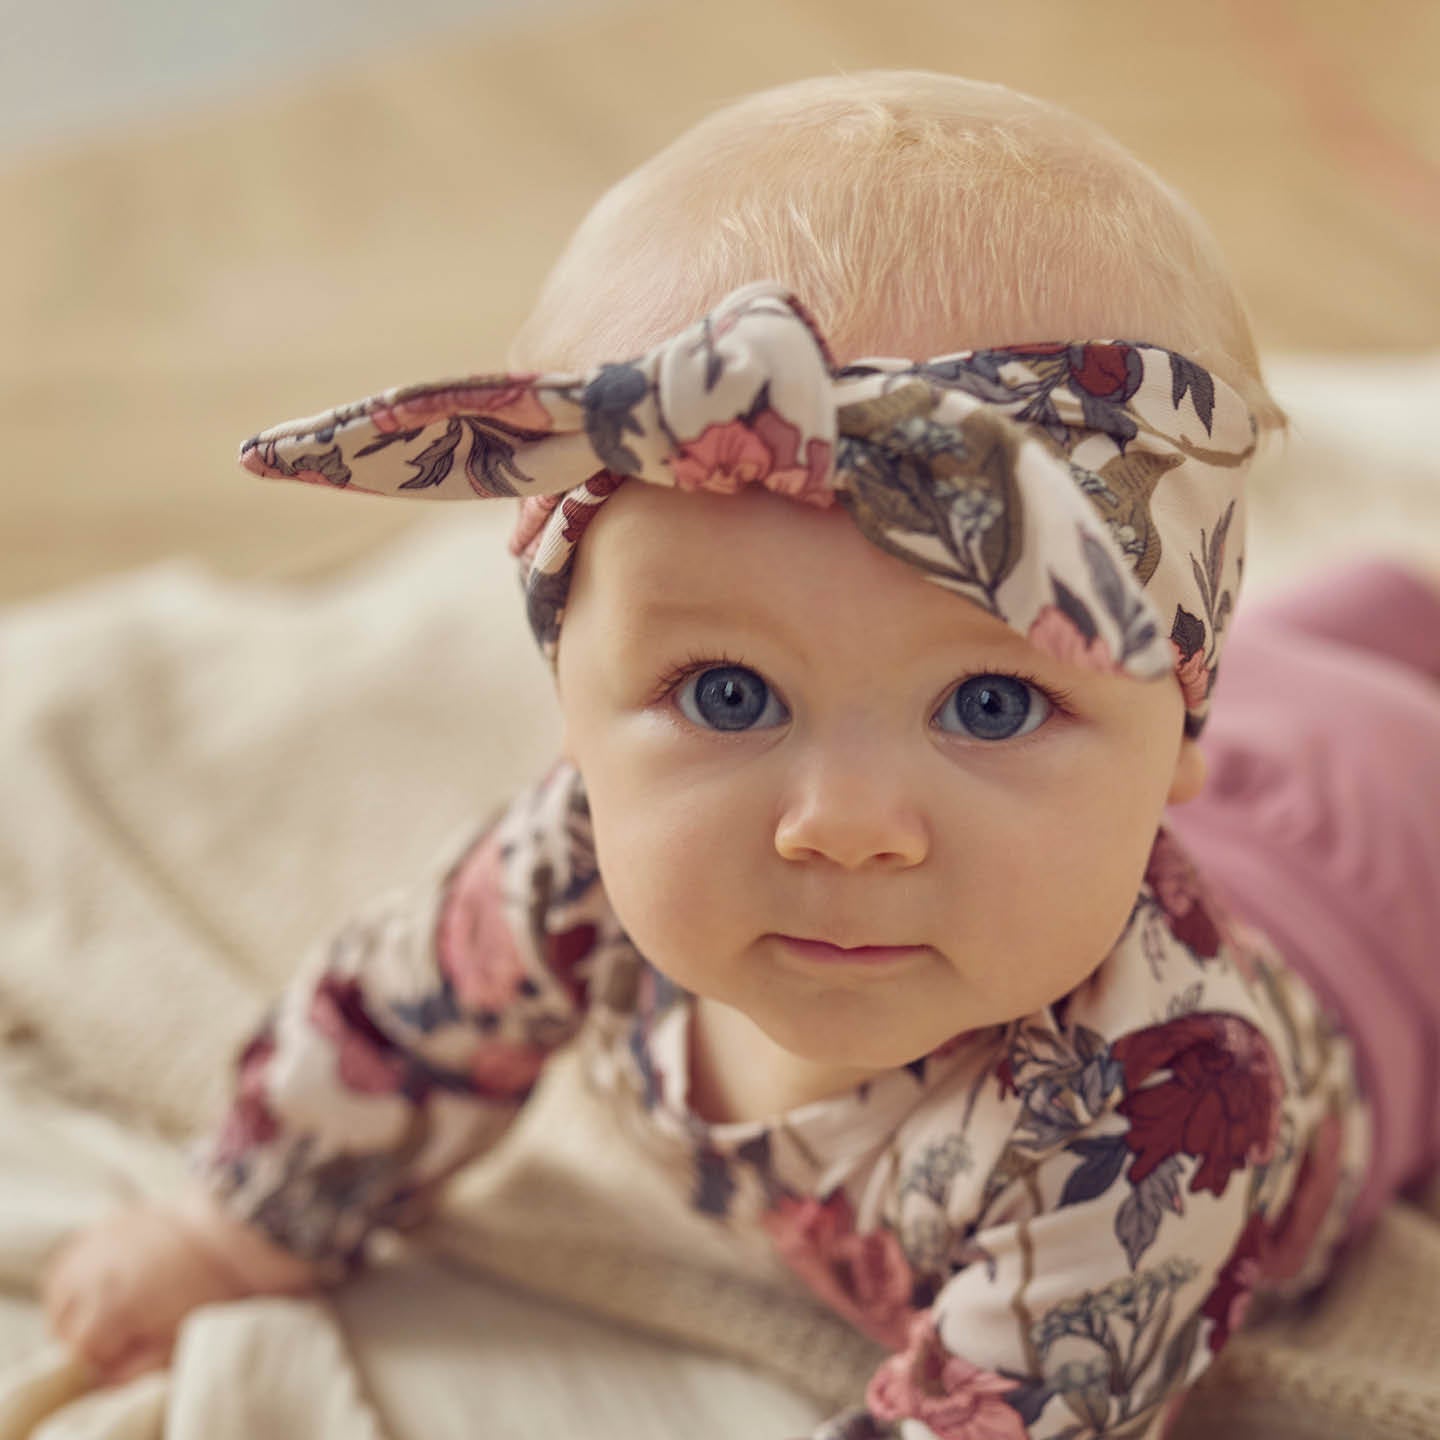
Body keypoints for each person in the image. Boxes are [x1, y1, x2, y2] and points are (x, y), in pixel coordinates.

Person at [40, 70, 1440, 1439]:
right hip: (1274, 747)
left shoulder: (1166, 1105)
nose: (845, 825)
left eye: (993, 706)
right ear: (572, 697)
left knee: (1373, 711)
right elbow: (394, 1031)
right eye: (725, 692)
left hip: (1391, 888)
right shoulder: (572, 858)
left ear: (1170, 736)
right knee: (1351, 645)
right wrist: (236, 1230)